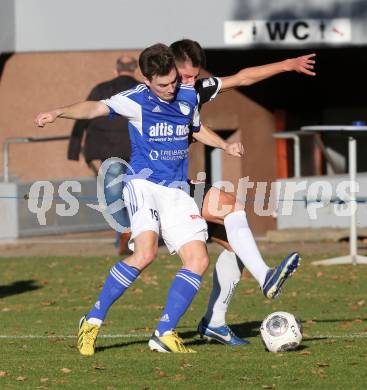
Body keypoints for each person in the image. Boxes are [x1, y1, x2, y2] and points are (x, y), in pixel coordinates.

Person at [35, 43, 211, 355]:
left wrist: (225, 144)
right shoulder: (134, 99)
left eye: (174, 80)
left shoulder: (188, 93)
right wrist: (59, 112)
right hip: (143, 185)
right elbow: (92, 109)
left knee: (198, 260)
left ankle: (164, 333)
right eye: (163, 84)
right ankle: (92, 320)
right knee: (144, 255)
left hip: (176, 190)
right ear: (146, 81)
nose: (171, 88)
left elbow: (198, 128)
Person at [169, 39, 316, 345]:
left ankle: (215, 322)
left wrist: (286, 65)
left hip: (179, 185)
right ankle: (264, 277)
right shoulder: (155, 97)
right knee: (232, 208)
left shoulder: (195, 90)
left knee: (236, 244)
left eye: (193, 77)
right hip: (160, 189)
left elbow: (242, 77)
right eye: (183, 76)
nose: (188, 83)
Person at [67, 55, 139, 255]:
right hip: (139, 151)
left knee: (113, 196)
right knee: (137, 196)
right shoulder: (142, 90)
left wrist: (74, 150)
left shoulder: (101, 89)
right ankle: (129, 236)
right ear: (135, 70)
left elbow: (83, 114)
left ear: (115, 71)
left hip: (110, 152)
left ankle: (125, 233)